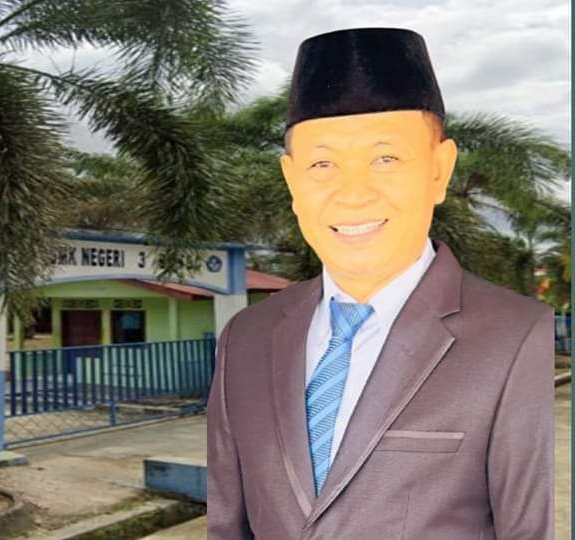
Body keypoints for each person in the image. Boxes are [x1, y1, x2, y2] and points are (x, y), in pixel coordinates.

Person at [207, 27, 554, 539]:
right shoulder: (245, 338)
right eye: (322, 163)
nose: (353, 194)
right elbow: (227, 526)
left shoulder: (519, 337)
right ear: (292, 180)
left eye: (385, 158)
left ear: (439, 170)